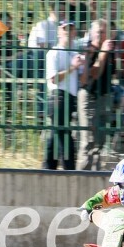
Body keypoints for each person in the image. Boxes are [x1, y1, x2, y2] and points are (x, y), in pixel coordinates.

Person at [76, 19, 116, 171]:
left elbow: (112, 73)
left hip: (104, 96)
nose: (101, 35)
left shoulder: (109, 49)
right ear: (92, 33)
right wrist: (103, 53)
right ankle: (81, 175)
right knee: (88, 140)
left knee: (100, 140)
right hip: (89, 96)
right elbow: (93, 74)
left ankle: (96, 174)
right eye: (99, 32)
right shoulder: (88, 50)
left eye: (104, 32)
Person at [44, 20, 84, 169]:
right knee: (64, 135)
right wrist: (73, 67)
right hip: (58, 97)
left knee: (57, 135)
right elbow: (54, 79)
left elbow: (82, 78)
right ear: (59, 32)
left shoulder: (75, 54)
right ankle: (69, 168)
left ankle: (48, 168)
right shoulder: (54, 53)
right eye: (65, 29)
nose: (68, 32)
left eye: (71, 29)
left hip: (70, 98)